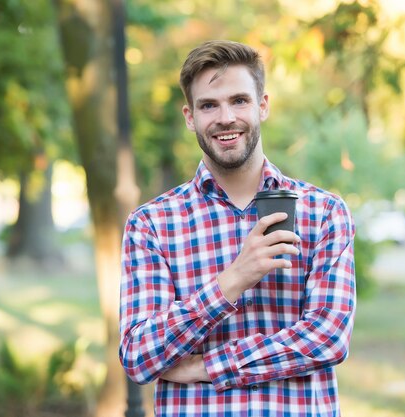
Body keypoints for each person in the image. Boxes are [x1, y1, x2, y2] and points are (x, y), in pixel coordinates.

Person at [119, 40, 356, 416]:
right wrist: (232, 281)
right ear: (189, 116)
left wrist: (207, 366)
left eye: (239, 101)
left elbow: (327, 339)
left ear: (263, 106)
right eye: (209, 105)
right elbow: (138, 356)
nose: (225, 117)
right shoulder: (152, 225)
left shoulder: (323, 213)